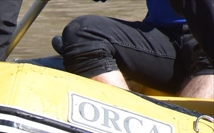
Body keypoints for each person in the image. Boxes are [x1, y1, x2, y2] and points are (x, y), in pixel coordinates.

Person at [57, 0, 214, 98]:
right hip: (164, 39)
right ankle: (127, 120)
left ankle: (190, 131)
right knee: (83, 33)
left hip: (207, 43)